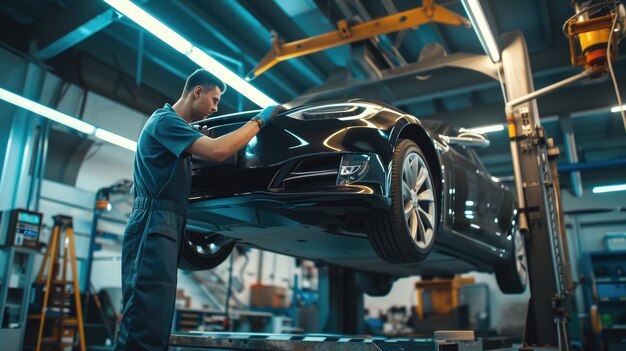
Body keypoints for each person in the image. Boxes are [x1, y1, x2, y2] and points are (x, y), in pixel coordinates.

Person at [115, 68, 284, 350]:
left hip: (164, 225)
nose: (215, 108)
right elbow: (219, 151)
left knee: (155, 324)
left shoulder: (176, 128)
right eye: (215, 100)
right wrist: (259, 121)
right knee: (143, 326)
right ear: (197, 92)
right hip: (153, 225)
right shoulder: (164, 121)